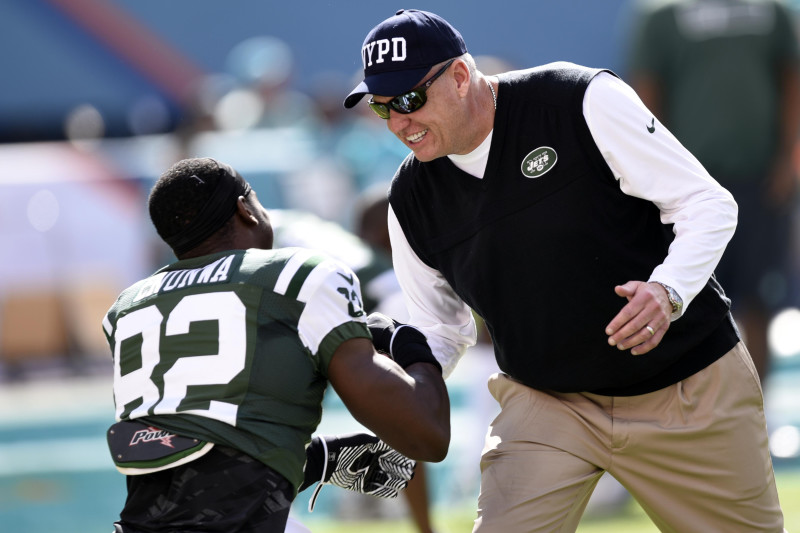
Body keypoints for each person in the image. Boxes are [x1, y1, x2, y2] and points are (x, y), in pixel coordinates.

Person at [343, 9, 785, 532]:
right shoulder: (410, 198)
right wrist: (399, 389)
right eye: (381, 107)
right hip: (545, 401)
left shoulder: (578, 98)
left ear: (461, 77)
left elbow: (708, 204)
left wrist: (668, 290)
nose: (399, 124)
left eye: (410, 100)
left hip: (684, 383)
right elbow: (439, 329)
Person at [101, 157, 450, 532]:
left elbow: (191, 452)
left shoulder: (125, 308)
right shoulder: (296, 275)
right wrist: (411, 348)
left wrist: (313, 459)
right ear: (244, 209)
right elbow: (426, 434)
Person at [626, 0, 800, 385]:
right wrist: (659, 179)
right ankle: (698, 420)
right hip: (688, 196)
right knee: (688, 303)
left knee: (759, 302)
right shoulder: (661, 16)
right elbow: (646, 98)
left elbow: (791, 79)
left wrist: (788, 158)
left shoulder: (772, 12)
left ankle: (756, 415)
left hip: (761, 185)